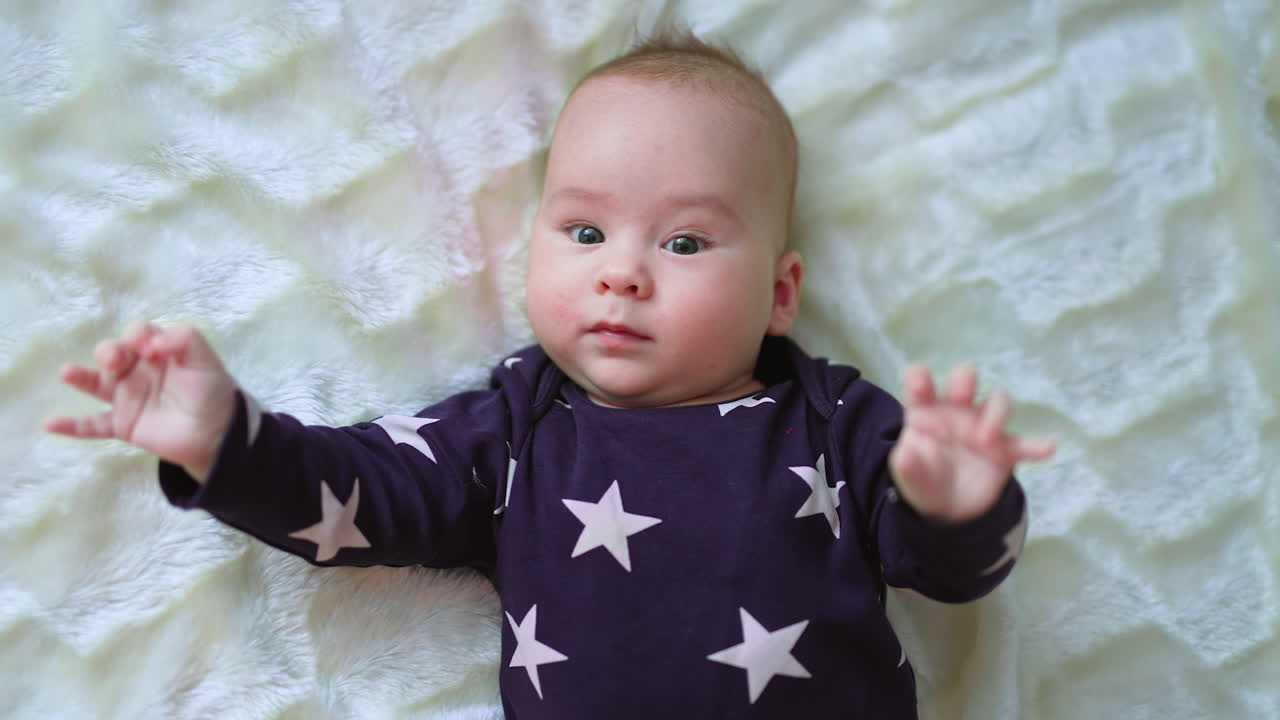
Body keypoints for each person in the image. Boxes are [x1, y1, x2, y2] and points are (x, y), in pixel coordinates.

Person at [45, 30, 1055, 719]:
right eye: (583, 229)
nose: (621, 268)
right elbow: (361, 498)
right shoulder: (518, 428)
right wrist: (228, 441)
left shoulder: (834, 420)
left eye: (686, 242)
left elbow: (955, 576)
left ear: (780, 293)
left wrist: (956, 500)